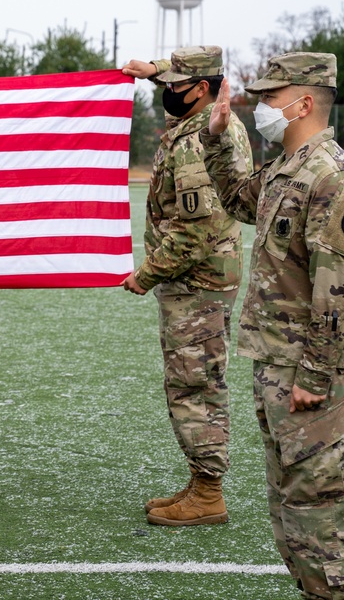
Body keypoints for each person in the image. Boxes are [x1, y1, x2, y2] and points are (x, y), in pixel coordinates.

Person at [199, 53, 344, 599]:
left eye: (269, 99)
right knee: (292, 518)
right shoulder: (285, 169)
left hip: (310, 377)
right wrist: (217, 139)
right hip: (278, 364)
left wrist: (316, 377)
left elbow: (340, 293)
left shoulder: (332, 177)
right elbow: (234, 200)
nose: (261, 109)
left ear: (302, 103)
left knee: (321, 526)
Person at [120, 46, 252, 526]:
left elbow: (193, 233)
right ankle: (200, 479)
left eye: (176, 84)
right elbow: (187, 76)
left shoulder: (201, 140)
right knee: (193, 382)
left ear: (201, 89)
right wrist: (153, 70)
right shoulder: (203, 119)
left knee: (194, 386)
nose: (166, 92)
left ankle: (209, 494)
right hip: (199, 282)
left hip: (196, 282)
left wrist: (145, 274)